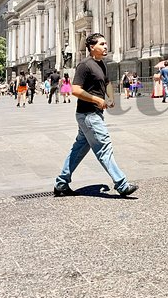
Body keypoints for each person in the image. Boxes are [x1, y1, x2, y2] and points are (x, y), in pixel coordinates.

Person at [54, 33, 138, 198]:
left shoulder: (101, 64)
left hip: (93, 114)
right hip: (88, 114)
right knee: (104, 147)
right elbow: (75, 89)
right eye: (102, 44)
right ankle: (122, 184)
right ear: (92, 47)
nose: (106, 46)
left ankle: (61, 183)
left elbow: (107, 83)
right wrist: (96, 100)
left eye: (106, 43)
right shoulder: (84, 65)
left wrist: (111, 98)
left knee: (78, 150)